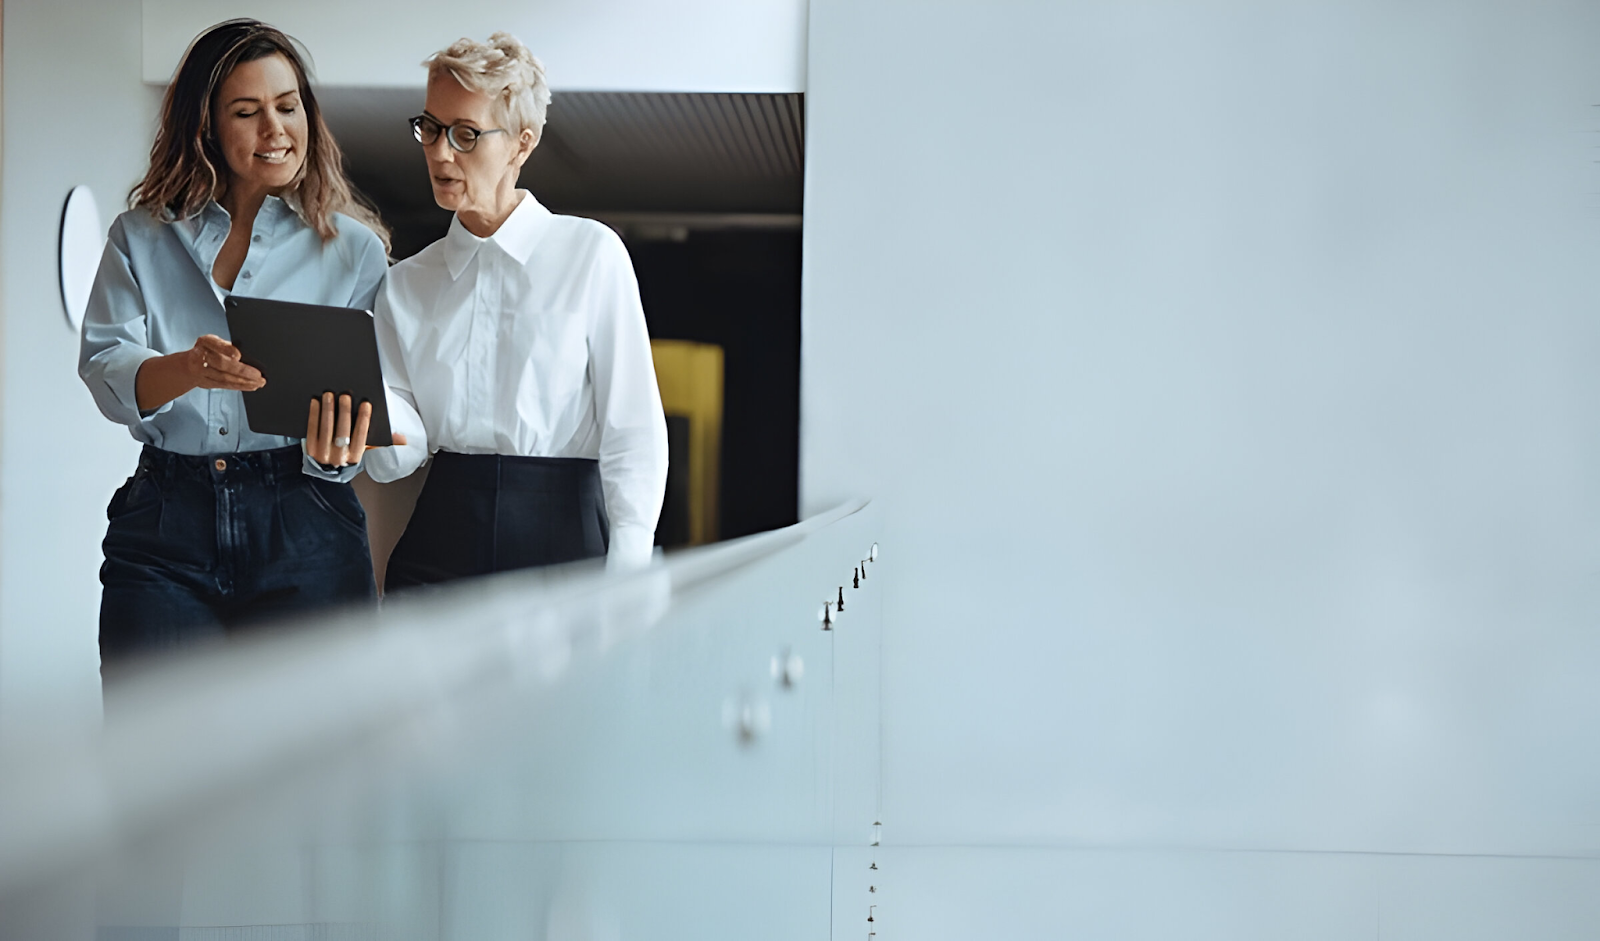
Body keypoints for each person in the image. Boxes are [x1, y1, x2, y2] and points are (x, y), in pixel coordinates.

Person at [79, 19, 404, 670]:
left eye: (288, 108)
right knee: (159, 754)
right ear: (205, 126)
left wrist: (339, 450)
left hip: (305, 518)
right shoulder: (139, 237)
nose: (275, 130)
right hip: (167, 523)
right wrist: (187, 369)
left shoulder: (356, 251)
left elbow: (368, 406)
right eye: (247, 112)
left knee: (314, 757)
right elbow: (105, 364)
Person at [363, 33, 667, 586]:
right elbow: (397, 459)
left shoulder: (591, 255)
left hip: (563, 541)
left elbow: (634, 433)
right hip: (438, 545)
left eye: (466, 134)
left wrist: (629, 581)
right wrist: (358, 425)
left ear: (522, 145)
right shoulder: (404, 283)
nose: (439, 152)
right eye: (429, 127)